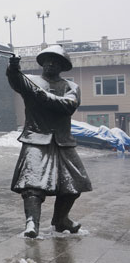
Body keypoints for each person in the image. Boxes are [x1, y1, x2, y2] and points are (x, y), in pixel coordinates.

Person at [7, 45, 92, 238]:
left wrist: (42, 95)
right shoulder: (31, 81)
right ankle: (32, 223)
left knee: (73, 186)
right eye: (48, 60)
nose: (51, 64)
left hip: (62, 141)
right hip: (36, 139)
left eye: (56, 61)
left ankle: (61, 220)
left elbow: (67, 106)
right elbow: (16, 80)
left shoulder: (71, 87)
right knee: (32, 185)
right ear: (42, 63)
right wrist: (12, 68)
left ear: (63, 66)